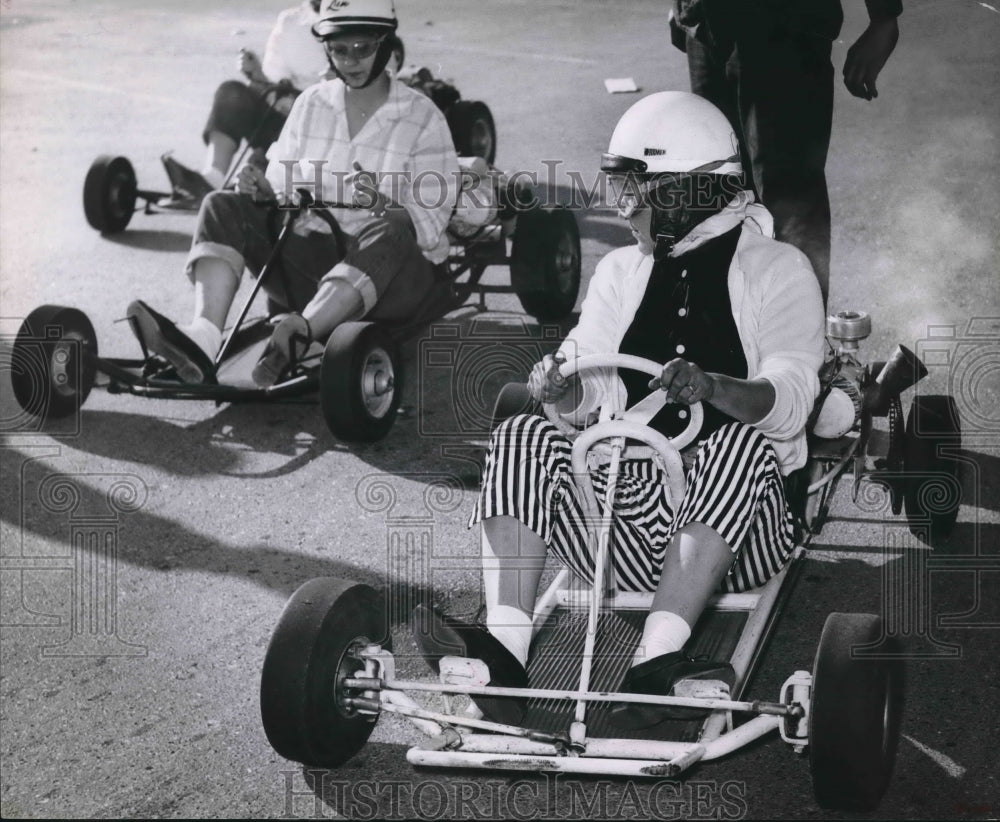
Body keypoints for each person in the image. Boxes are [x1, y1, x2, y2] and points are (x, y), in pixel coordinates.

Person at [413, 91, 826, 728]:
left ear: (690, 192)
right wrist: (563, 388)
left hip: (741, 535)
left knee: (739, 443)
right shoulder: (619, 271)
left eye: (639, 189)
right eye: (622, 186)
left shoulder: (779, 269)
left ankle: (658, 660)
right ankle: (504, 651)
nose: (622, 205)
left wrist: (716, 389)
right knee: (523, 431)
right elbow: (593, 383)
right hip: (618, 522)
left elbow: (793, 398)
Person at [126, 0, 459, 388]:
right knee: (221, 205)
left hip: (394, 281)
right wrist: (264, 190)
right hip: (310, 270)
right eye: (338, 49)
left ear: (386, 43)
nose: (350, 61)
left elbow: (431, 226)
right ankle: (203, 337)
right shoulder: (311, 103)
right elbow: (282, 189)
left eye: (362, 48)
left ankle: (300, 335)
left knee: (388, 231)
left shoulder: (423, 118)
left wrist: (383, 205)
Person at [668, 0, 903, 304]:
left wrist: (883, 17)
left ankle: (799, 341)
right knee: (718, 195)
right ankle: (729, 341)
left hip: (783, 24)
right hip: (706, 20)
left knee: (789, 202)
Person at [186, 0, 329, 195]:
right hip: (281, 119)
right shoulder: (290, 21)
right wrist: (255, 73)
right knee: (231, 92)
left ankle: (264, 174)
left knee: (259, 171)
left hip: (324, 129)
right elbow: (272, 81)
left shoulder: (359, 20)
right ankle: (213, 178)